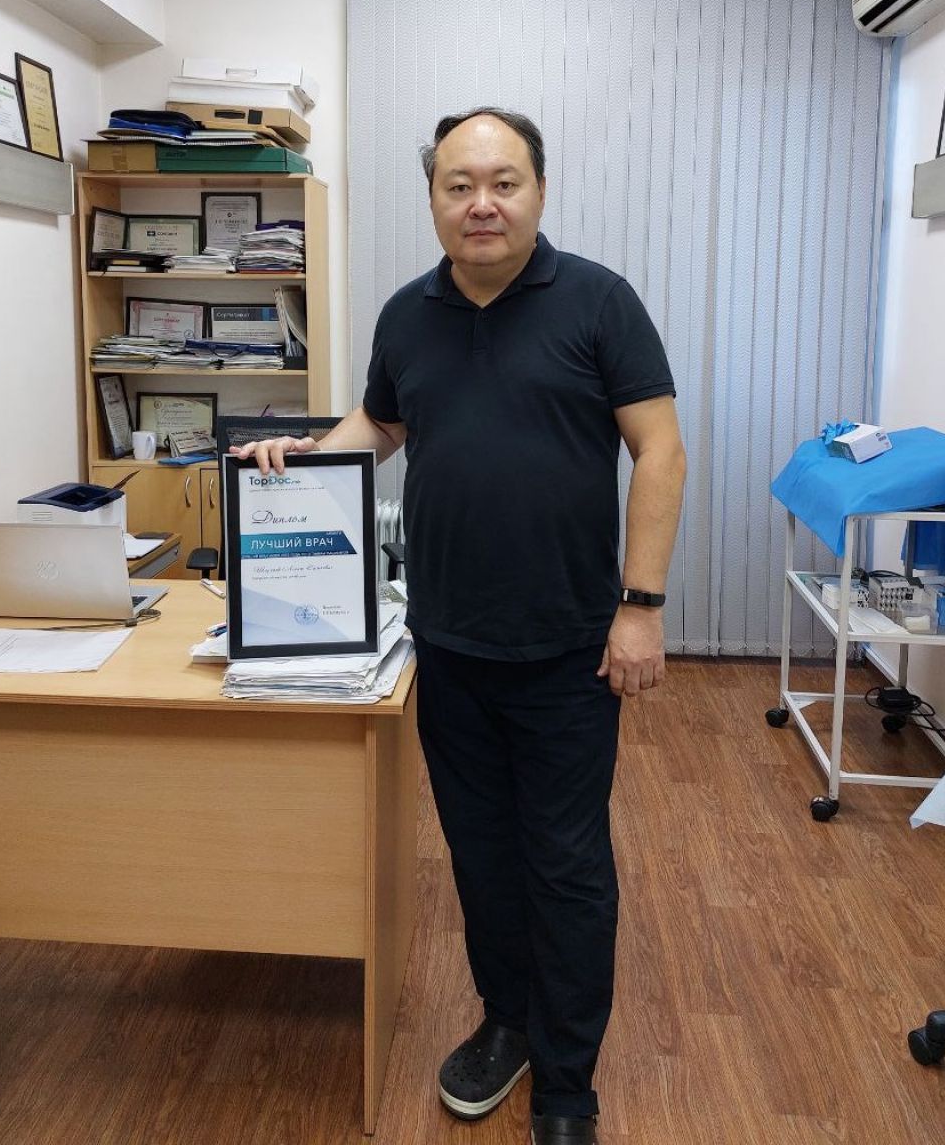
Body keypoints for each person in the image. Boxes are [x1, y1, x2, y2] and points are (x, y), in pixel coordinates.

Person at [231, 107, 686, 1145]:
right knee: (480, 855)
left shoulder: (599, 302)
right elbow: (385, 423)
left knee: (565, 864)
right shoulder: (407, 314)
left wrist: (641, 607)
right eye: (458, 184)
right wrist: (302, 461)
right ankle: (507, 1022)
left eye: (503, 182)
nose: (482, 203)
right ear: (433, 196)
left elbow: (659, 452)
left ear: (538, 190)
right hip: (447, 639)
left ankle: (567, 1087)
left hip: (571, 646)